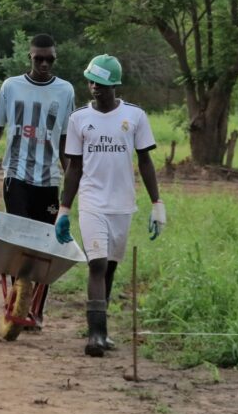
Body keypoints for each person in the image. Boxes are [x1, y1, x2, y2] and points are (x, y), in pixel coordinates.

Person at [55, 54, 166, 357]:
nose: (95, 88)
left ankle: (103, 332)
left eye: (101, 84)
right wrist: (64, 210)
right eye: (91, 82)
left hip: (122, 204)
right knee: (97, 263)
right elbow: (74, 168)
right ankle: (95, 335)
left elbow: (145, 161)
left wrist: (157, 203)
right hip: (92, 201)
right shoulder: (79, 118)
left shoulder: (135, 116)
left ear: (114, 85)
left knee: (111, 266)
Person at [0, 33, 75, 326]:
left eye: (50, 59)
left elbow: (65, 139)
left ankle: (36, 309)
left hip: (49, 179)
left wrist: (71, 178)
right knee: (20, 242)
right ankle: (17, 304)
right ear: (29, 57)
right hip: (16, 175)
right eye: (39, 59)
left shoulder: (65, 90)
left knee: (46, 246)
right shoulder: (11, 86)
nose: (44, 64)